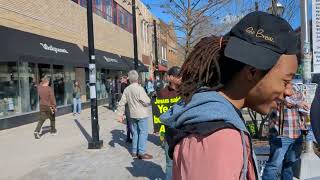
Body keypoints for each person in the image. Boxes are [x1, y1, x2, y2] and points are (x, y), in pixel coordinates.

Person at [160, 11, 300, 180]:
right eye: (286, 81)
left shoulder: (212, 121)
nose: (289, 92)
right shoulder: (219, 139)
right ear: (252, 72)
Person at [262, 84, 309, 180]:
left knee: (289, 165)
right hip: (280, 135)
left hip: (297, 134)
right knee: (273, 165)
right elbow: (283, 100)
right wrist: (297, 102)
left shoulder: (296, 87)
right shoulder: (274, 88)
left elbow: (301, 101)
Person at [117, 70, 153, 159]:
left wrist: (120, 114)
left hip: (132, 113)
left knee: (136, 132)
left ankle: (134, 151)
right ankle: (141, 152)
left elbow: (121, 103)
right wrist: (148, 103)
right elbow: (146, 101)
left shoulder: (127, 89)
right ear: (137, 78)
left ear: (129, 79)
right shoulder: (139, 88)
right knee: (143, 132)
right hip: (141, 113)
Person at [157, 66, 181, 180]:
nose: (180, 78)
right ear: (170, 77)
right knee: (170, 163)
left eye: (181, 76)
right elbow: (158, 113)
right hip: (168, 133)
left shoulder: (185, 91)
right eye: (177, 76)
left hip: (183, 131)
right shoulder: (162, 93)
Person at [120, 76, 133, 143]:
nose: (124, 79)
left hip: (129, 105)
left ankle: (128, 137)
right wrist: (126, 81)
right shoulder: (123, 85)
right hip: (127, 105)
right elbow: (125, 90)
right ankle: (134, 137)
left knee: (128, 122)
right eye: (124, 78)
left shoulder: (125, 84)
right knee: (130, 122)